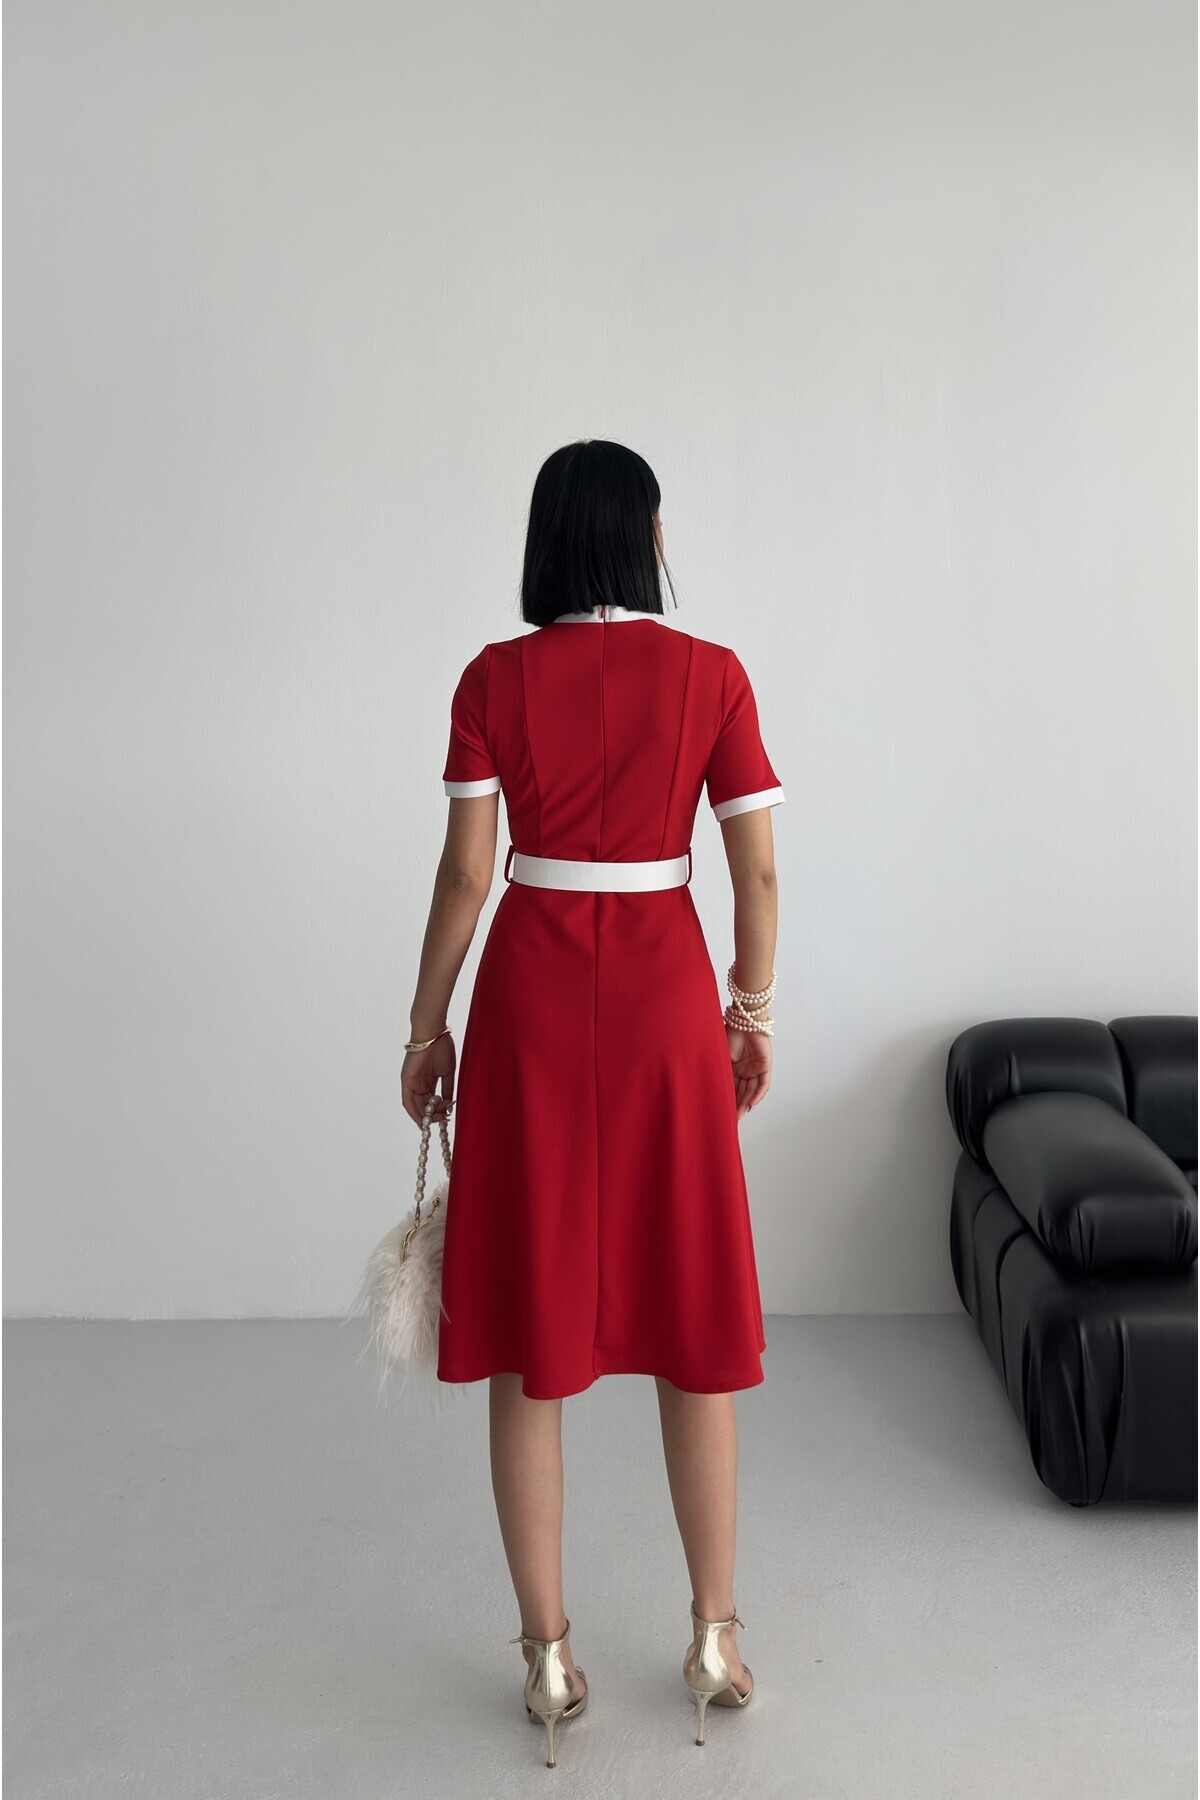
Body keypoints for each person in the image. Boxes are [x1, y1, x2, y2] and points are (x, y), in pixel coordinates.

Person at [400, 439, 783, 1767]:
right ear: (647, 537)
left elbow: (467, 874)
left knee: (530, 1329)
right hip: (670, 1000)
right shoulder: (713, 675)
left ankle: (550, 1659)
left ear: (547, 538)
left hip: (533, 1008)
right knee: (694, 1321)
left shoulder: (492, 680)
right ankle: (716, 1637)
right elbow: (757, 873)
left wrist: (426, 1026)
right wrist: (749, 1010)